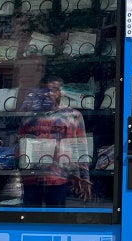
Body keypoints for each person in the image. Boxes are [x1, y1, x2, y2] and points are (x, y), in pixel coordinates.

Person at [16, 75, 92, 206]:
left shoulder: (72, 116)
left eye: (54, 90)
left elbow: (80, 148)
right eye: (46, 90)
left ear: (61, 92)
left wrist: (84, 177)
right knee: (30, 220)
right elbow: (19, 145)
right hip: (32, 178)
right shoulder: (30, 117)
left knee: (56, 219)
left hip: (59, 178)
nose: (49, 93)